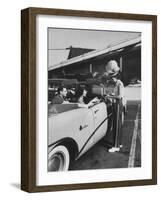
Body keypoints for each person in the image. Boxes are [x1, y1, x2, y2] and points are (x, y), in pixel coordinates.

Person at [103, 63, 124, 153]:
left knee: (116, 125)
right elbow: (116, 94)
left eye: (112, 77)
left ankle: (115, 146)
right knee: (118, 124)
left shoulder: (119, 83)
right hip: (117, 104)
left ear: (115, 76)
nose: (111, 79)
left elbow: (120, 96)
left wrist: (109, 97)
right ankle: (118, 143)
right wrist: (111, 94)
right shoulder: (117, 83)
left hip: (118, 104)